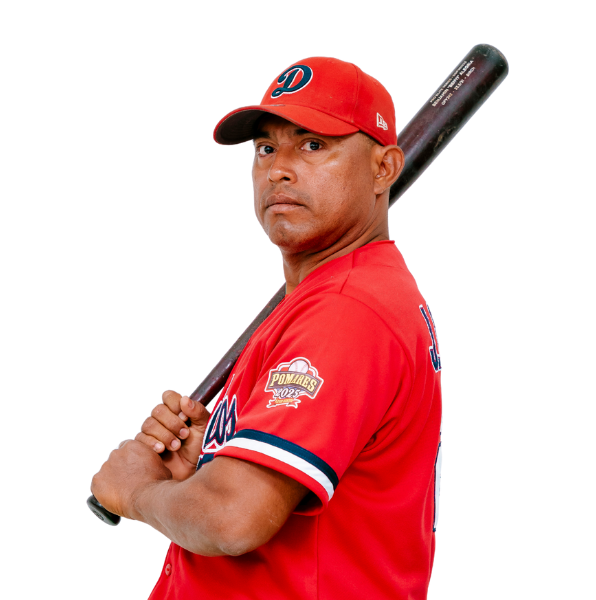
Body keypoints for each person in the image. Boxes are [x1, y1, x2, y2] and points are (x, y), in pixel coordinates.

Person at [91, 56, 443, 600]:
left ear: (383, 168)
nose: (278, 169)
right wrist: (211, 463)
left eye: (313, 145)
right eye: (265, 148)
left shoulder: (345, 312)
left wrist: (137, 491)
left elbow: (232, 519)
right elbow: (240, 500)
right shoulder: (333, 296)